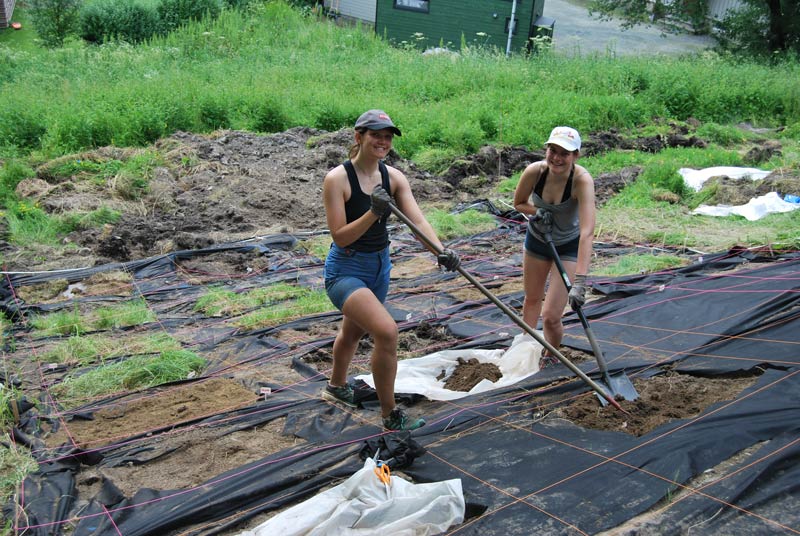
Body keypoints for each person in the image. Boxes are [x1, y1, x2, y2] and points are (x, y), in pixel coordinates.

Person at [321, 109, 461, 431]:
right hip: (346, 270)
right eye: (375, 135)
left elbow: (418, 222)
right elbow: (340, 237)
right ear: (359, 137)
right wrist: (373, 212)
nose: (382, 141)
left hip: (380, 268)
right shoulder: (337, 180)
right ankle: (390, 416)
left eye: (387, 136)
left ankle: (337, 386)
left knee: (353, 331)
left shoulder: (394, 178)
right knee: (387, 331)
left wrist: (441, 251)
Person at [512, 126, 596, 361]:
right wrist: (537, 211)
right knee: (531, 300)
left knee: (550, 316)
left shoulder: (581, 181)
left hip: (568, 246)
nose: (557, 158)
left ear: (575, 155)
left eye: (565, 153)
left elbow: (587, 231)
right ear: (546, 149)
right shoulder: (535, 172)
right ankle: (525, 354)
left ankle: (550, 357)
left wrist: (580, 281)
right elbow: (518, 203)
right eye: (553, 150)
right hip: (538, 241)